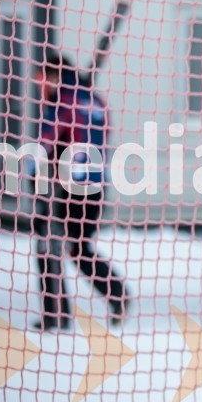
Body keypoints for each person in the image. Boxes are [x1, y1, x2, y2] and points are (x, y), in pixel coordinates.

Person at [30, 51, 130, 331]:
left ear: (53, 76)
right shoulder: (94, 99)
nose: (39, 86)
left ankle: (56, 316)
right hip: (95, 186)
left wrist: (28, 172)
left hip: (66, 187)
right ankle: (117, 292)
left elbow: (46, 139)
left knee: (48, 246)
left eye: (41, 79)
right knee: (77, 248)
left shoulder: (63, 101)